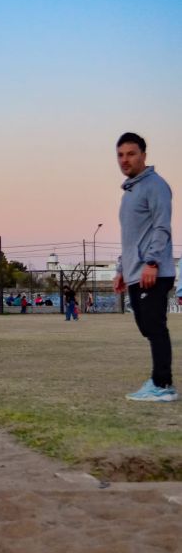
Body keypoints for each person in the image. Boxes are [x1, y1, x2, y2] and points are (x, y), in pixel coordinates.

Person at [113, 132, 177, 402]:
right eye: (120, 155)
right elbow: (130, 237)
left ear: (144, 156)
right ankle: (159, 381)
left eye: (131, 154)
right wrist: (121, 269)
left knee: (155, 326)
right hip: (135, 271)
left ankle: (162, 385)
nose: (125, 160)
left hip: (153, 271)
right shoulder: (130, 192)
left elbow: (162, 227)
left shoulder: (155, 185)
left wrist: (152, 262)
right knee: (147, 327)